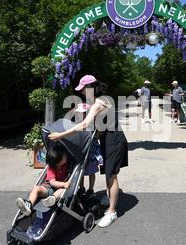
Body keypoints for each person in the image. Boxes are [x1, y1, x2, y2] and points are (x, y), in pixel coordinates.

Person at [49, 74, 128, 228]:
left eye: (83, 90)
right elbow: (98, 127)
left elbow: (84, 125)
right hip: (108, 139)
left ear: (90, 88)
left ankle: (112, 211)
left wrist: (61, 135)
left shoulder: (99, 102)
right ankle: (110, 197)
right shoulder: (101, 100)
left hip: (114, 140)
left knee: (111, 175)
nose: (82, 93)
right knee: (108, 172)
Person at [16, 144, 71, 215]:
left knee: (62, 191)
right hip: (49, 188)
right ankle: (28, 205)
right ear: (59, 161)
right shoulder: (51, 169)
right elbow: (52, 182)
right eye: (64, 155)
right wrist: (63, 184)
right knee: (36, 188)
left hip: (58, 190)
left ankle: (51, 200)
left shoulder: (67, 165)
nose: (66, 155)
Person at [74, 102, 103, 200]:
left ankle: (91, 189)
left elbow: (98, 134)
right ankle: (81, 187)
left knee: (91, 171)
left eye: (83, 113)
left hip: (91, 149)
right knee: (80, 171)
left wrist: (96, 134)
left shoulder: (93, 122)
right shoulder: (77, 123)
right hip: (81, 150)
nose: (80, 115)